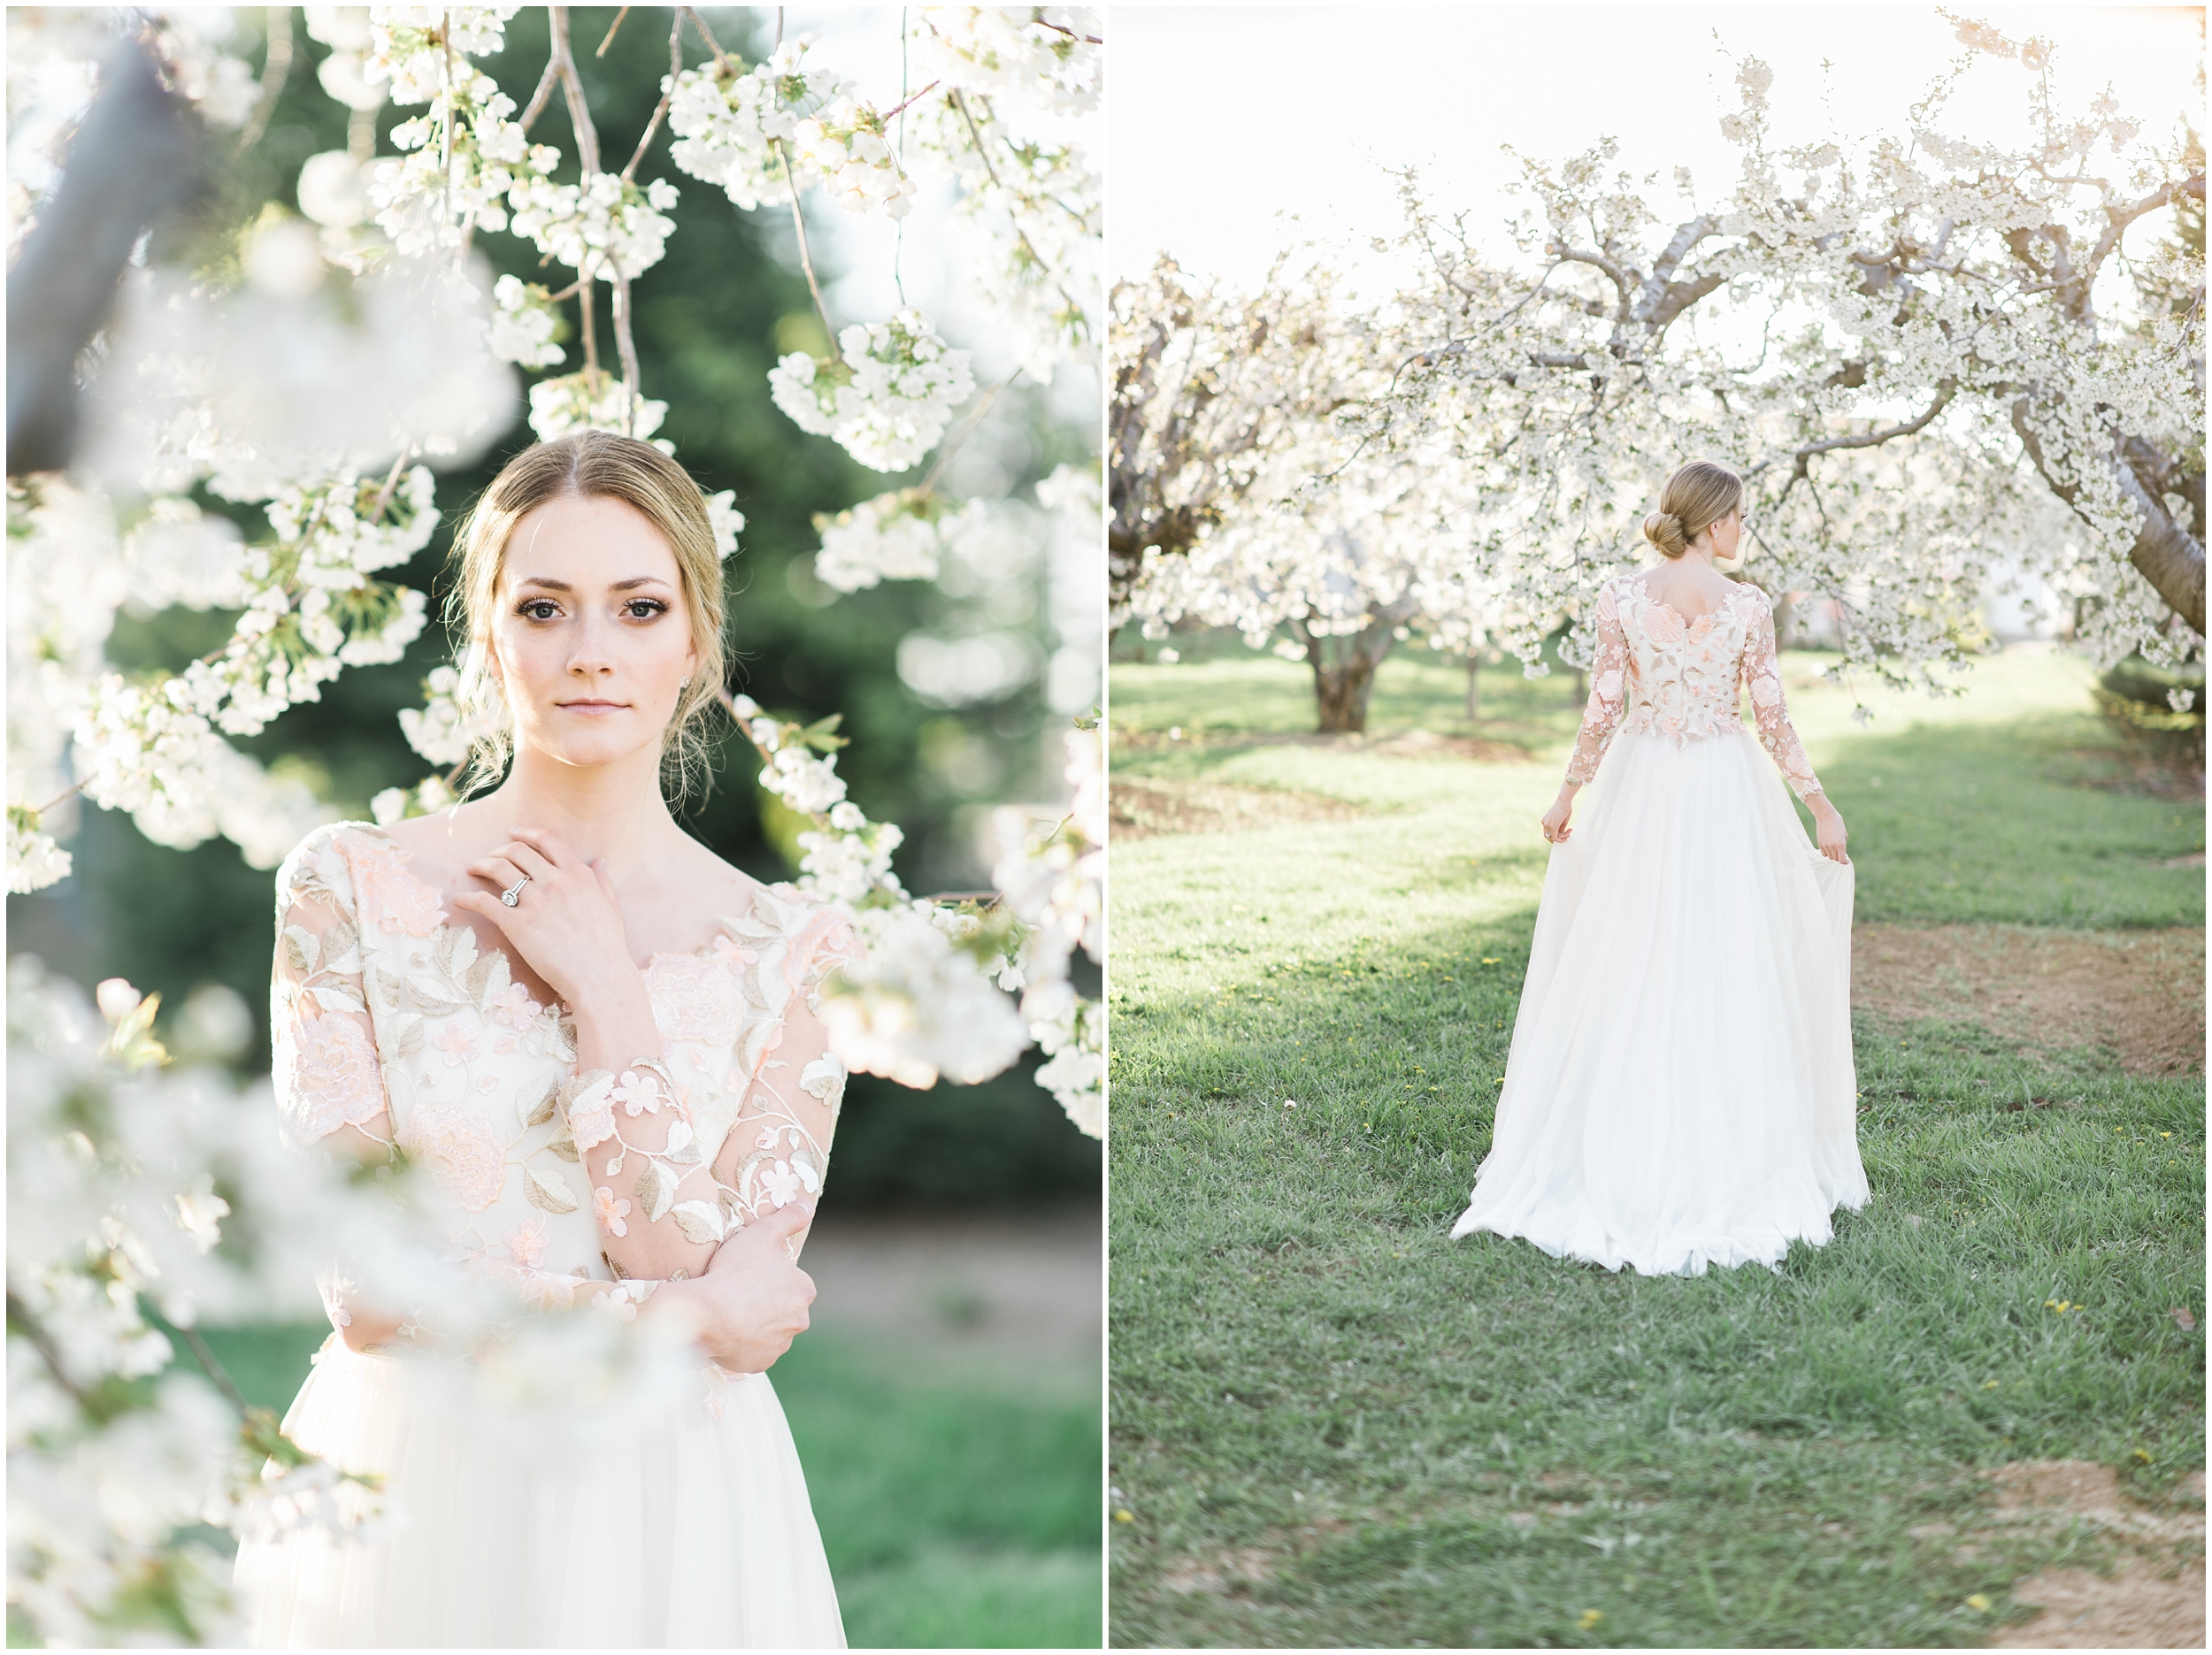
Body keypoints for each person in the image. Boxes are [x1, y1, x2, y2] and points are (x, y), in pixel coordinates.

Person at [233, 432, 856, 1646]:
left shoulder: (796, 945)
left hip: (674, 1494)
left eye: (636, 606)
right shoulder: (348, 886)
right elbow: (368, 1288)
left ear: (694, 637)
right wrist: (682, 1322)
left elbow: (683, 1255)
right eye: (544, 607)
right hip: (420, 1472)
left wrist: (606, 990)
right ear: (488, 632)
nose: (590, 652)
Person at [1449, 459, 1867, 1276]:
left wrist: (1569, 792)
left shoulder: (1621, 597)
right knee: (1725, 955)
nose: (1744, 530)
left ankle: (1620, 1130)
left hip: (1643, 784)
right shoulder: (1746, 605)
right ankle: (1722, 1141)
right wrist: (1819, 803)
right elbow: (1771, 716)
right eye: (1739, 516)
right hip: (1721, 785)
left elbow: (1606, 704)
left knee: (1631, 952)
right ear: (1713, 524)